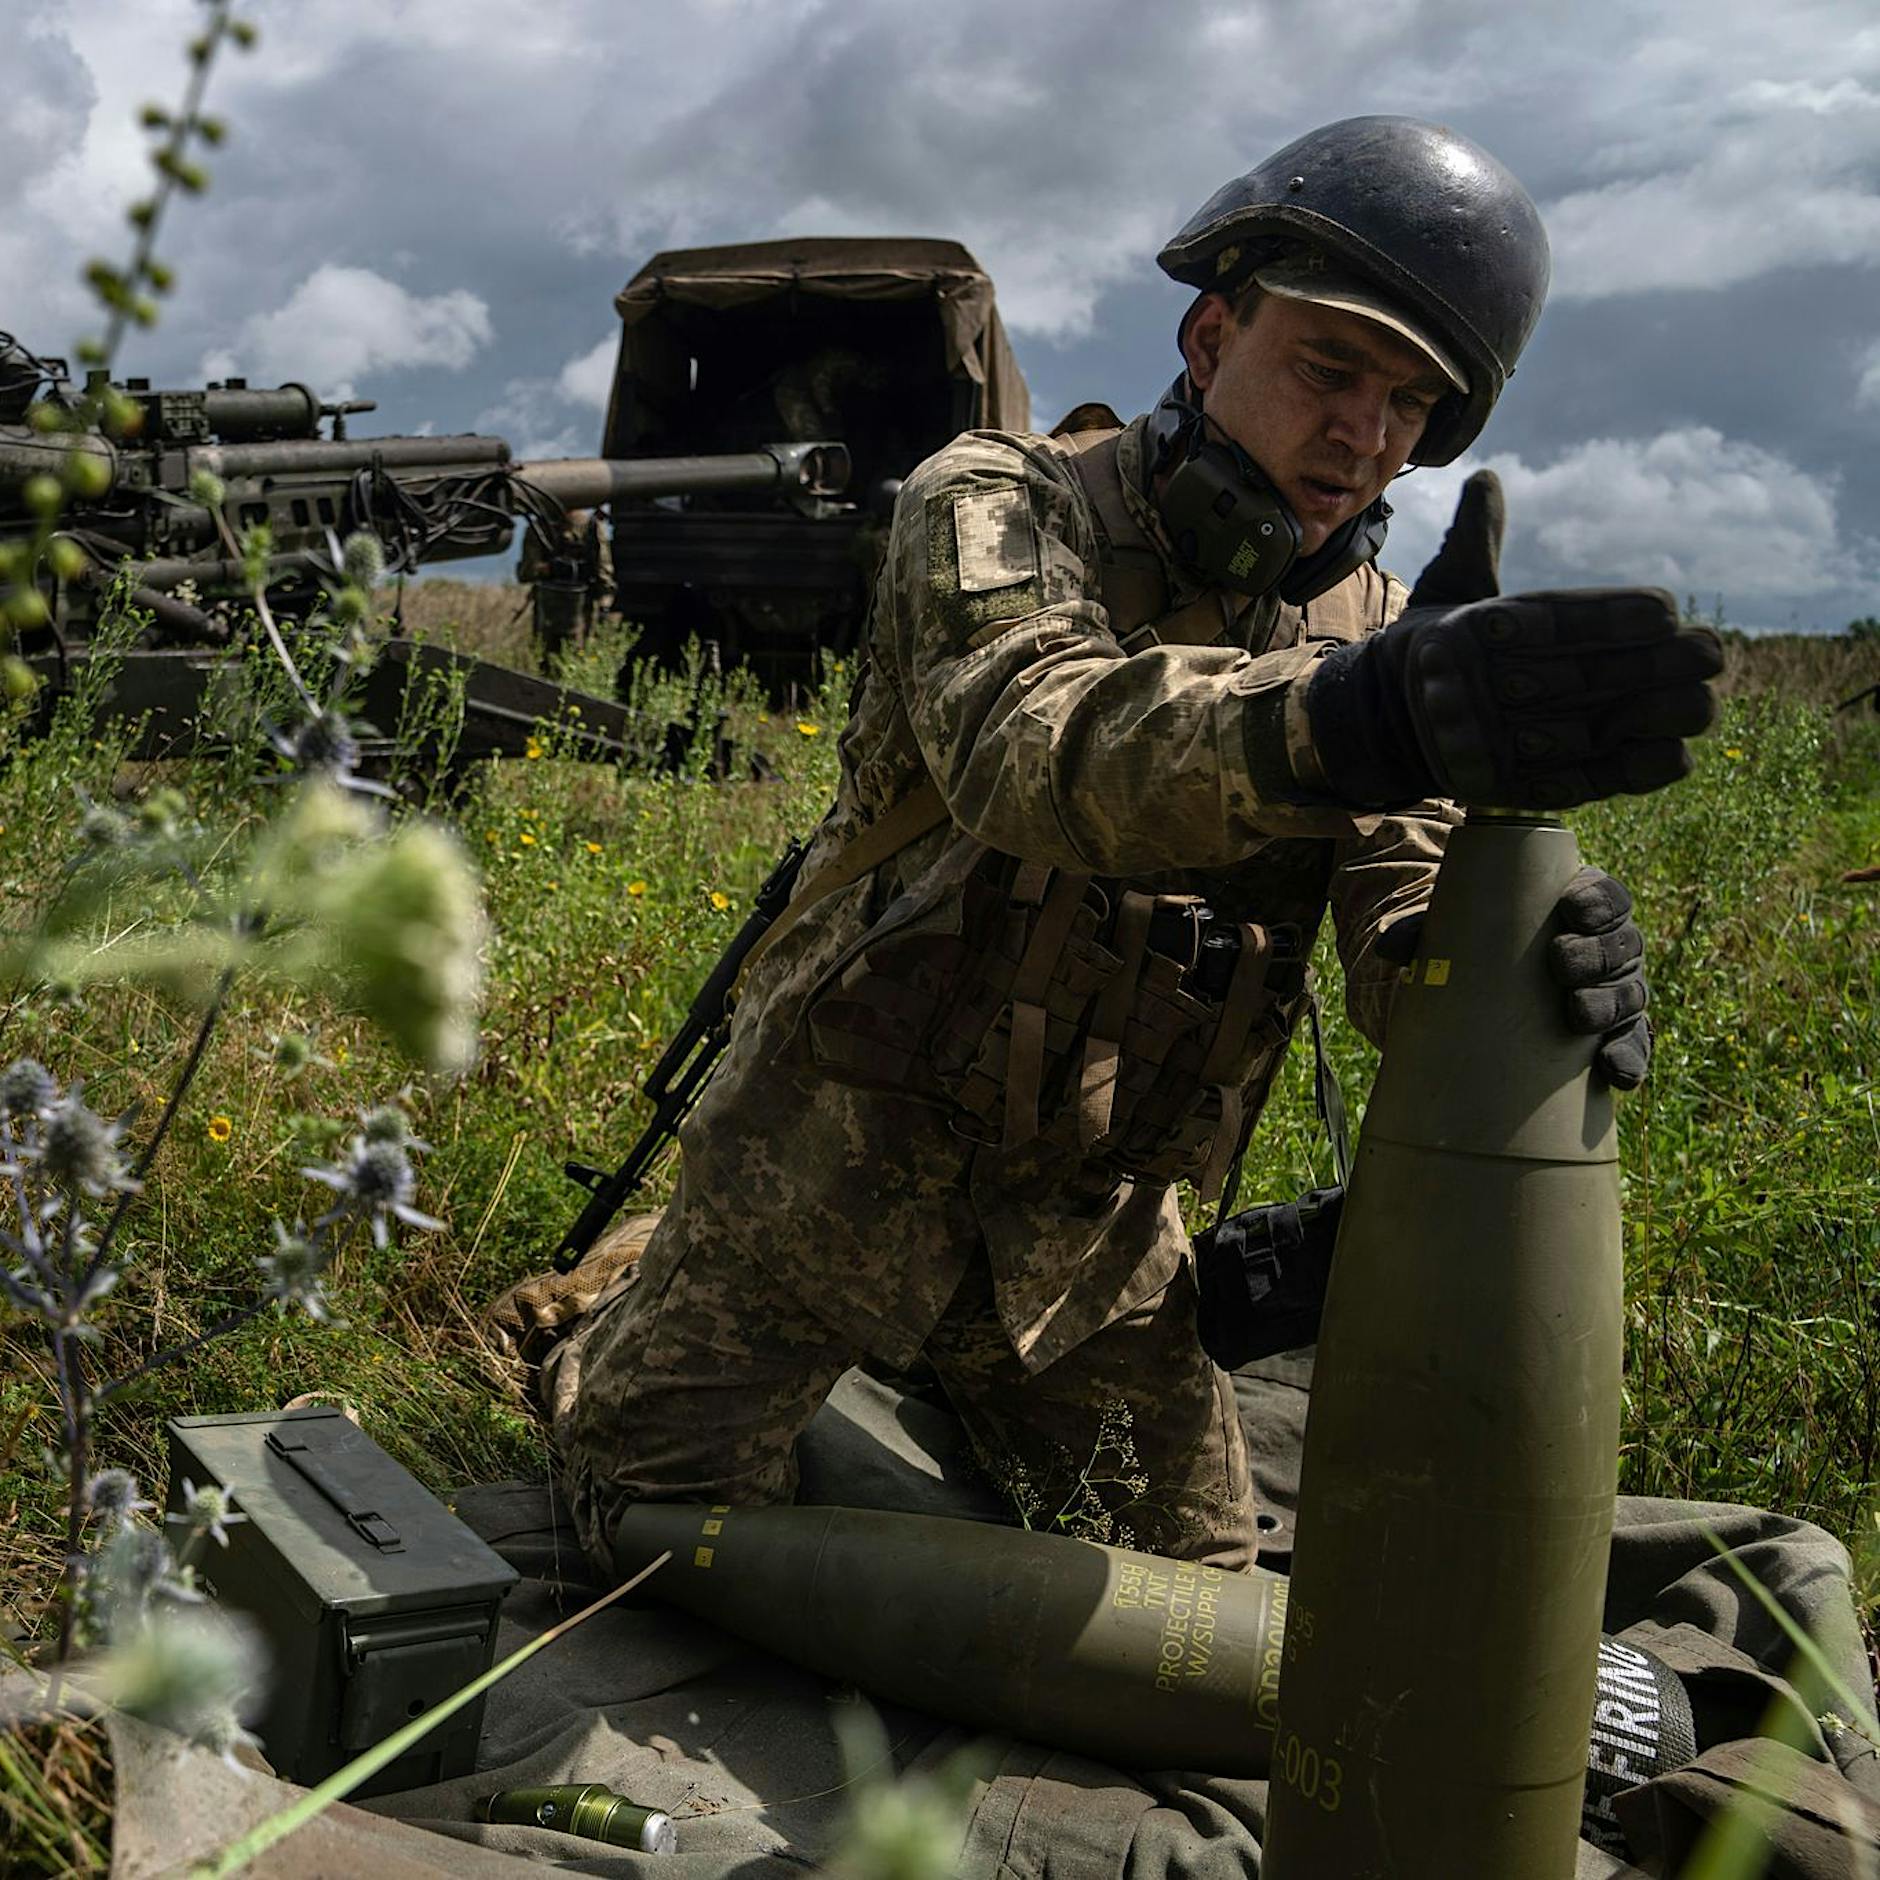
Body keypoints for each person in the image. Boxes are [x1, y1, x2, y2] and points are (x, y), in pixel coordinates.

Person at [550, 115, 1722, 1575]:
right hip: (823, 1174)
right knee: (647, 1535)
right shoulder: (991, 501)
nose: (1365, 435)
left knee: (1201, 1614)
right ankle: (622, 1297)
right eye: (1329, 368)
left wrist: (1521, 950)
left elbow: (1398, 923)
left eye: (1414, 403)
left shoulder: (1379, 640)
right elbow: (1032, 746)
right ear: (1210, 335)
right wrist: (1355, 720)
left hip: (1083, 1256)